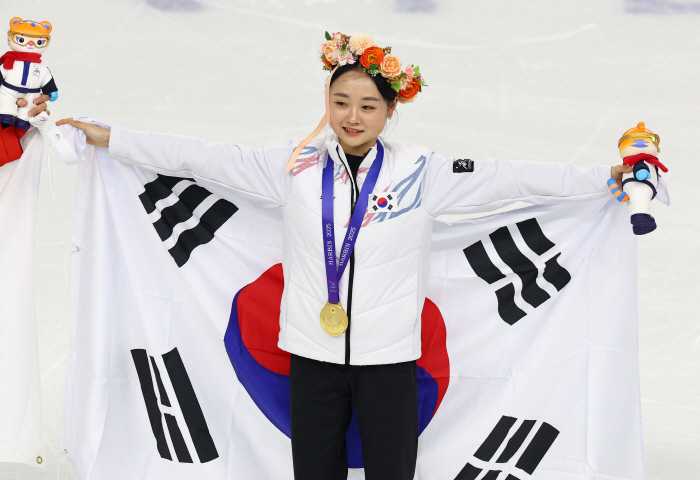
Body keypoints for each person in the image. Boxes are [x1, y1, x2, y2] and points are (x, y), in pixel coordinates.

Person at [57, 32, 631, 480]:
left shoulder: (420, 172)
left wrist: (601, 177)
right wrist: (115, 138)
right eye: (340, 102)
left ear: (389, 112)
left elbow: (512, 180)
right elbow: (204, 158)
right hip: (311, 355)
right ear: (326, 104)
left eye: (368, 106)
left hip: (389, 362)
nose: (352, 117)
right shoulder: (295, 166)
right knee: (314, 473)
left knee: (390, 474)